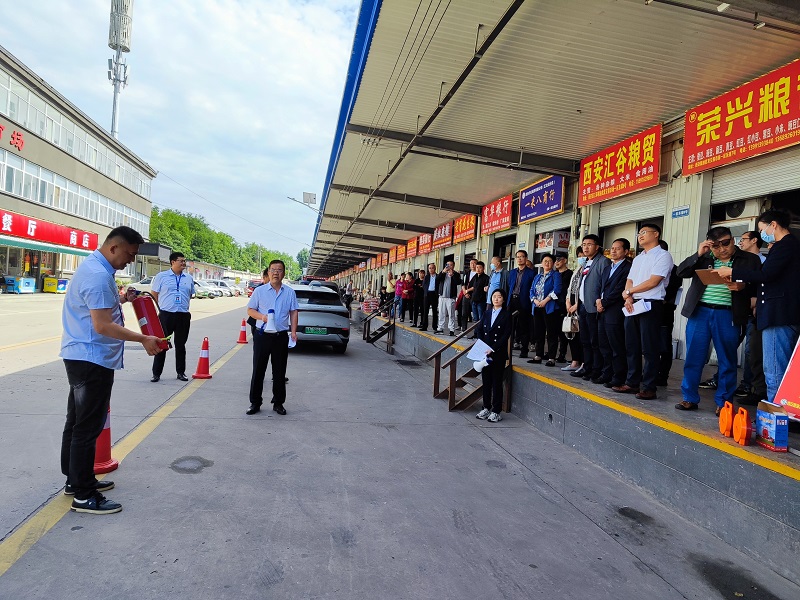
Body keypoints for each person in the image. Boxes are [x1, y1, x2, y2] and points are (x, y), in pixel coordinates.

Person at [60, 226, 164, 514]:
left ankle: (74, 480)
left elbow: (98, 308)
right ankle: (84, 495)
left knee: (77, 422)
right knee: (87, 427)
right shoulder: (97, 276)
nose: (131, 260)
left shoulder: (96, 268)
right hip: (91, 361)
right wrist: (143, 338)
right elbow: (102, 325)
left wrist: (123, 299)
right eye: (130, 254)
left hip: (83, 356)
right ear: (114, 248)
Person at [714, 210, 800, 404]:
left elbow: (766, 275)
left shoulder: (786, 245)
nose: (762, 234)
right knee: (776, 367)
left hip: (778, 315)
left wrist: (733, 271)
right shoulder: (787, 246)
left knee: (774, 369)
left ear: (773, 225)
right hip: (779, 314)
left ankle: (777, 413)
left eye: (762, 229)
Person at [674, 227, 760, 415]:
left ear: (733, 240)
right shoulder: (704, 257)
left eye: (726, 243)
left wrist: (742, 286)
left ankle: (724, 402)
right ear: (709, 245)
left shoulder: (749, 259)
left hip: (728, 314)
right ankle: (689, 397)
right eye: (716, 246)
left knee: (727, 359)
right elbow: (680, 272)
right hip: (700, 312)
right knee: (694, 357)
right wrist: (698, 254)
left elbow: (758, 285)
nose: (722, 249)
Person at [614, 224, 674, 400]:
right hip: (633, 304)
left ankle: (649, 387)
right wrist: (628, 297)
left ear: (656, 234)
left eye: (644, 232)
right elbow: (630, 279)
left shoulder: (663, 255)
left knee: (649, 347)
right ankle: (632, 382)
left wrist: (629, 292)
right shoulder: (639, 258)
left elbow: (653, 281)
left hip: (651, 304)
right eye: (639, 233)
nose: (640, 236)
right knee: (631, 345)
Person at [246, 260, 299, 416]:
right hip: (262, 336)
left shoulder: (289, 292)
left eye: (279, 270)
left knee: (279, 371)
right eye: (273, 269)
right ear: (268, 272)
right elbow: (250, 310)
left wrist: (293, 331)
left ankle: (278, 403)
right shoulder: (260, 291)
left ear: (284, 273)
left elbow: (294, 312)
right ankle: (255, 402)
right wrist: (262, 317)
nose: (276, 272)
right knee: (258, 369)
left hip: (280, 336)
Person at [149, 252, 195, 383]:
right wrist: (161, 308)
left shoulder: (188, 278)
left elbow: (190, 294)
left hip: (183, 315)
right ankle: (156, 373)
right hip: (166, 315)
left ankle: (181, 372)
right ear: (173, 262)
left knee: (180, 345)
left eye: (184, 261)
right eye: (181, 261)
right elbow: (154, 294)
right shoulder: (161, 276)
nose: (183, 263)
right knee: (162, 344)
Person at [734, 231, 767, 403]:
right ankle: (721, 379)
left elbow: (763, 284)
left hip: (754, 312)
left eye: (743, 239)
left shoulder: (764, 262)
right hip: (739, 309)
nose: (740, 242)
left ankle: (749, 385)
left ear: (754, 240)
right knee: (729, 345)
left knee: (751, 350)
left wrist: (757, 300)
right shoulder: (740, 261)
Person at [572, 235, 610, 381]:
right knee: (585, 340)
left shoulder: (603, 261)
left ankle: (596, 369)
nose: (585, 247)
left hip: (594, 307)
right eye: (584, 244)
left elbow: (605, 284)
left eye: (589, 244)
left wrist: (601, 301)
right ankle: (587, 367)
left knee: (595, 341)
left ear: (597, 246)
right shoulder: (586, 262)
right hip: (583, 305)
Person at [596, 238, 631, 388]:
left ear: (626, 251)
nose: (613, 251)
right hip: (602, 310)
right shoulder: (607, 268)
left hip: (615, 311)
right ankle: (607, 373)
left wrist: (604, 303)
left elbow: (619, 290)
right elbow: (600, 287)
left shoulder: (628, 268)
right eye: (612, 248)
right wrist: (598, 301)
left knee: (616, 346)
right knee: (604, 345)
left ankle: (619, 376)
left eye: (618, 248)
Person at [475, 288, 512, 423]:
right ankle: (486, 407)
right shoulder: (487, 313)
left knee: (496, 382)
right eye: (494, 296)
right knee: (486, 382)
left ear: (503, 299)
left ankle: (496, 411)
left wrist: (493, 348)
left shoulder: (507, 315)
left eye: (499, 296)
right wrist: (482, 345)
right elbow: (479, 330)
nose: (496, 299)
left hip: (498, 354)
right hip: (485, 353)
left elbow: (506, 335)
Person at [528, 253, 562, 366]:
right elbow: (531, 290)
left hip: (550, 307)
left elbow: (557, 289)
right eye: (545, 261)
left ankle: (551, 358)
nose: (547, 263)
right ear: (541, 263)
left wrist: (545, 301)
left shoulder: (556, 275)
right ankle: (538, 355)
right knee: (538, 332)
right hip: (537, 307)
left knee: (551, 333)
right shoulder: (537, 276)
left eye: (549, 261)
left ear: (553, 263)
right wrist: (535, 300)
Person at [656, 240, 682, 387]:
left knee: (664, 346)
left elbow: (671, 291)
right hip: (647, 311)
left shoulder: (675, 270)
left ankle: (662, 375)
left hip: (664, 312)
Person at [506, 250, 535, 358]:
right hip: (512, 300)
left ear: (526, 258)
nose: (519, 258)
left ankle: (524, 350)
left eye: (522, 256)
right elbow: (509, 286)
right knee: (509, 326)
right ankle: (508, 349)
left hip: (524, 301)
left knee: (523, 327)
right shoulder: (512, 272)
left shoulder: (531, 273)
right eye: (518, 257)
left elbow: (532, 289)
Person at [562, 247, 585, 373]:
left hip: (580, 307)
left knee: (582, 337)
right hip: (571, 308)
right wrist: (567, 302)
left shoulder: (588, 270)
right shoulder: (577, 270)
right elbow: (570, 288)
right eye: (579, 256)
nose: (581, 258)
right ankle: (574, 361)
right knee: (572, 335)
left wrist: (577, 305)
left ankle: (583, 362)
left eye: (583, 255)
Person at [435, 261, 462, 335]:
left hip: (451, 297)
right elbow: (437, 280)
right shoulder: (443, 273)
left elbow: (458, 282)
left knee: (451, 314)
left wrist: (452, 274)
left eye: (451, 265)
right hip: (442, 296)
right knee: (441, 313)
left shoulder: (456, 274)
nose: (449, 266)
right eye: (447, 265)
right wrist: (443, 272)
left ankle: (451, 329)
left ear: (453, 266)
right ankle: (440, 328)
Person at [553, 254, 571, 363]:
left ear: (565, 260)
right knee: (553, 331)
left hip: (564, 305)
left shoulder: (569, 274)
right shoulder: (554, 274)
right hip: (553, 305)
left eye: (559, 259)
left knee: (563, 331)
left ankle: (562, 354)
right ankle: (552, 353)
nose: (556, 262)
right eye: (555, 260)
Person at [468, 261, 490, 336]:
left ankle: (481, 335)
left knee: (481, 319)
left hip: (481, 301)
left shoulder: (486, 278)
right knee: (475, 319)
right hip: (474, 301)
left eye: (480, 267)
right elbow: (471, 286)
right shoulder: (475, 277)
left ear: (483, 268)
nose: (478, 269)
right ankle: (475, 333)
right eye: (477, 267)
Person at [419, 263, 439, 332]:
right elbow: (424, 285)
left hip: (434, 294)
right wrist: (426, 292)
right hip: (427, 295)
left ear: (435, 268)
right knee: (425, 311)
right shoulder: (427, 276)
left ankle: (435, 327)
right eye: (429, 268)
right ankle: (424, 326)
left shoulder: (438, 276)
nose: (431, 269)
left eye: (432, 268)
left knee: (434, 311)